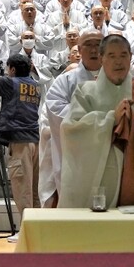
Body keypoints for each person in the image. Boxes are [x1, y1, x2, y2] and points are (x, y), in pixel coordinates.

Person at [59, 35, 134, 209]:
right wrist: (110, 119)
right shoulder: (86, 91)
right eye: (112, 56)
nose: (119, 62)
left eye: (123, 55)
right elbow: (70, 130)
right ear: (102, 58)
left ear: (130, 57)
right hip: (98, 178)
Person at [41, 31, 104, 207]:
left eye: (98, 45)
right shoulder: (65, 80)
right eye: (88, 45)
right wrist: (94, 113)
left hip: (108, 149)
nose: (93, 50)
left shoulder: (117, 79)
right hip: (74, 154)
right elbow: (54, 107)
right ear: (79, 50)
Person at [0, 54, 43, 221]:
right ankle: (36, 228)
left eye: (8, 69)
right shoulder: (36, 85)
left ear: (12, 69)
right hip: (35, 140)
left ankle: (26, 230)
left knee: (22, 188)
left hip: (19, 141)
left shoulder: (10, 82)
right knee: (33, 189)